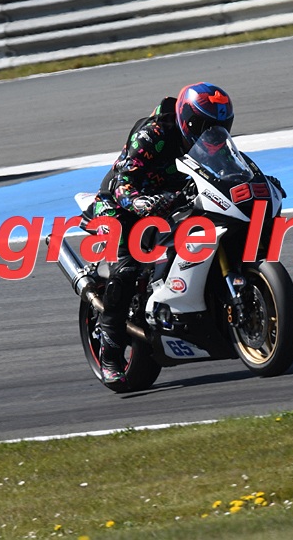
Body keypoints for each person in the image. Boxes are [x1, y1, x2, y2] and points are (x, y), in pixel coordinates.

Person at [91, 82, 236, 385]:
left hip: (169, 199)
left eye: (219, 127)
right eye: (205, 127)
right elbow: (122, 180)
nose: (212, 134)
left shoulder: (211, 144)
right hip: (120, 203)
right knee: (126, 269)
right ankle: (110, 352)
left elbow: (230, 168)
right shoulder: (152, 135)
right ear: (187, 120)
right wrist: (138, 201)